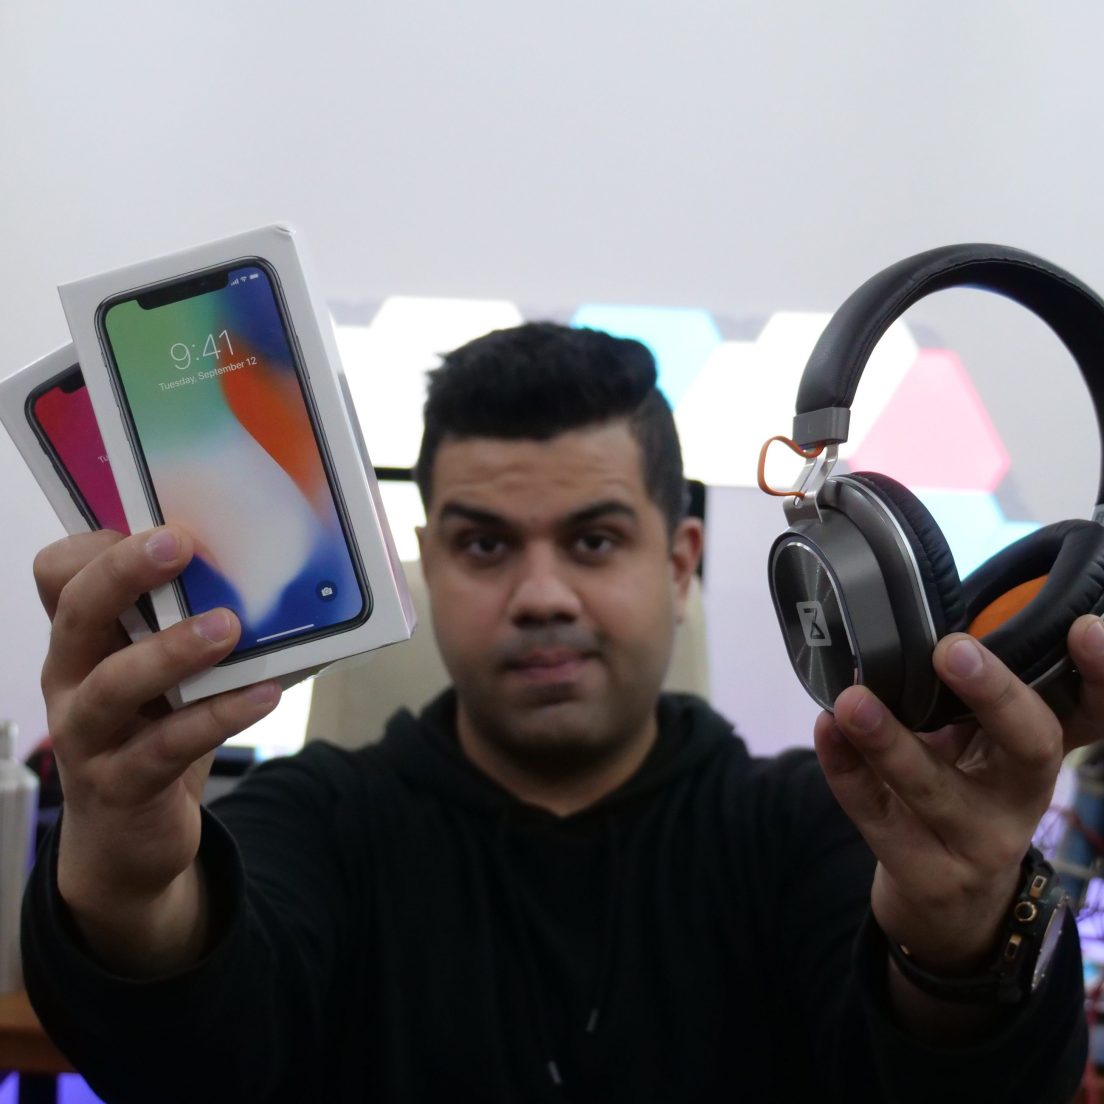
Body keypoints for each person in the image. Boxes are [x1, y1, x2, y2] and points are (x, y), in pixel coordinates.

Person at [21, 322, 1091, 1103]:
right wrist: (127, 886)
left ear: (681, 562)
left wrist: (960, 935)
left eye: (593, 540)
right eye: (485, 544)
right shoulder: (314, 820)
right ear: (429, 563)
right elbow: (195, 1059)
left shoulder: (823, 826)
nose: (541, 596)